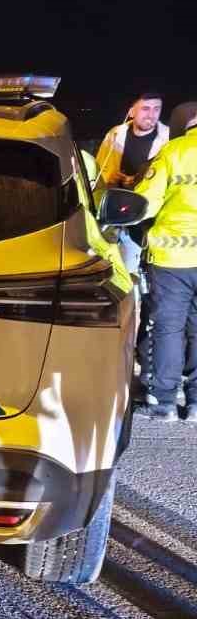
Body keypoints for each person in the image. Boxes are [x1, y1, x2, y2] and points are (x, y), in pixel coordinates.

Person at [135, 101, 197, 421]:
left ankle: (164, 403)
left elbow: (144, 203)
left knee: (169, 330)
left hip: (174, 257)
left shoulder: (173, 152)